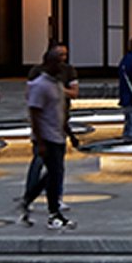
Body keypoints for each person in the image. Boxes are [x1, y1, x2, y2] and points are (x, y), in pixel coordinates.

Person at [17, 44, 77, 230]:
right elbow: (34, 114)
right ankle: (53, 213)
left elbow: (59, 112)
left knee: (53, 175)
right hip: (47, 137)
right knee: (53, 175)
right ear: (47, 64)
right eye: (57, 62)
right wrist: (40, 141)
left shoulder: (57, 84)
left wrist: (70, 134)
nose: (61, 66)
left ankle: (29, 200)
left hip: (58, 135)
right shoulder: (39, 85)